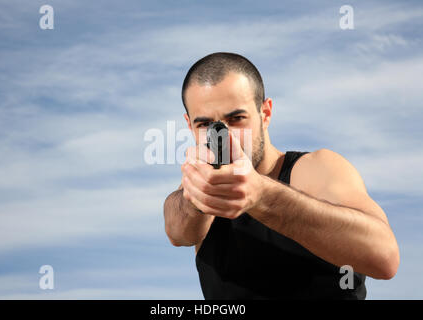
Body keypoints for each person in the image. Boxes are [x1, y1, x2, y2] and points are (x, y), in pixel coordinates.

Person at [163, 52, 399, 299]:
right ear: (190, 126)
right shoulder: (202, 185)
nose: (223, 137)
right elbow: (178, 231)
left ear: (265, 114)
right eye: (205, 125)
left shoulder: (314, 169)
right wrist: (193, 200)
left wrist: (263, 195)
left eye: (236, 119)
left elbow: (384, 258)